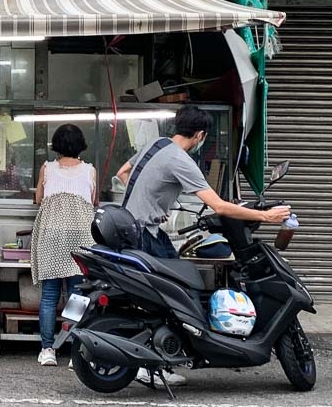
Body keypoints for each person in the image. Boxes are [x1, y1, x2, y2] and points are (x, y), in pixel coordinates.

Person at [114, 105, 290, 386]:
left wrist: (152, 202)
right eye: (204, 137)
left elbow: (124, 172)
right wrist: (265, 216)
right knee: (173, 293)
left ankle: (166, 354)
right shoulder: (181, 161)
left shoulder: (156, 144)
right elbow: (219, 205)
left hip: (133, 226)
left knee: (177, 287)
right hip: (144, 234)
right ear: (199, 135)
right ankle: (148, 364)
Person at [31, 124, 97, 367]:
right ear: (80, 145)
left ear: (56, 145)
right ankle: (75, 351)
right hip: (80, 238)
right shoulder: (90, 171)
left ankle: (48, 350)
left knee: (49, 296)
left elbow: (38, 199)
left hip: (51, 236)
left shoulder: (47, 168)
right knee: (77, 295)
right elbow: (94, 202)